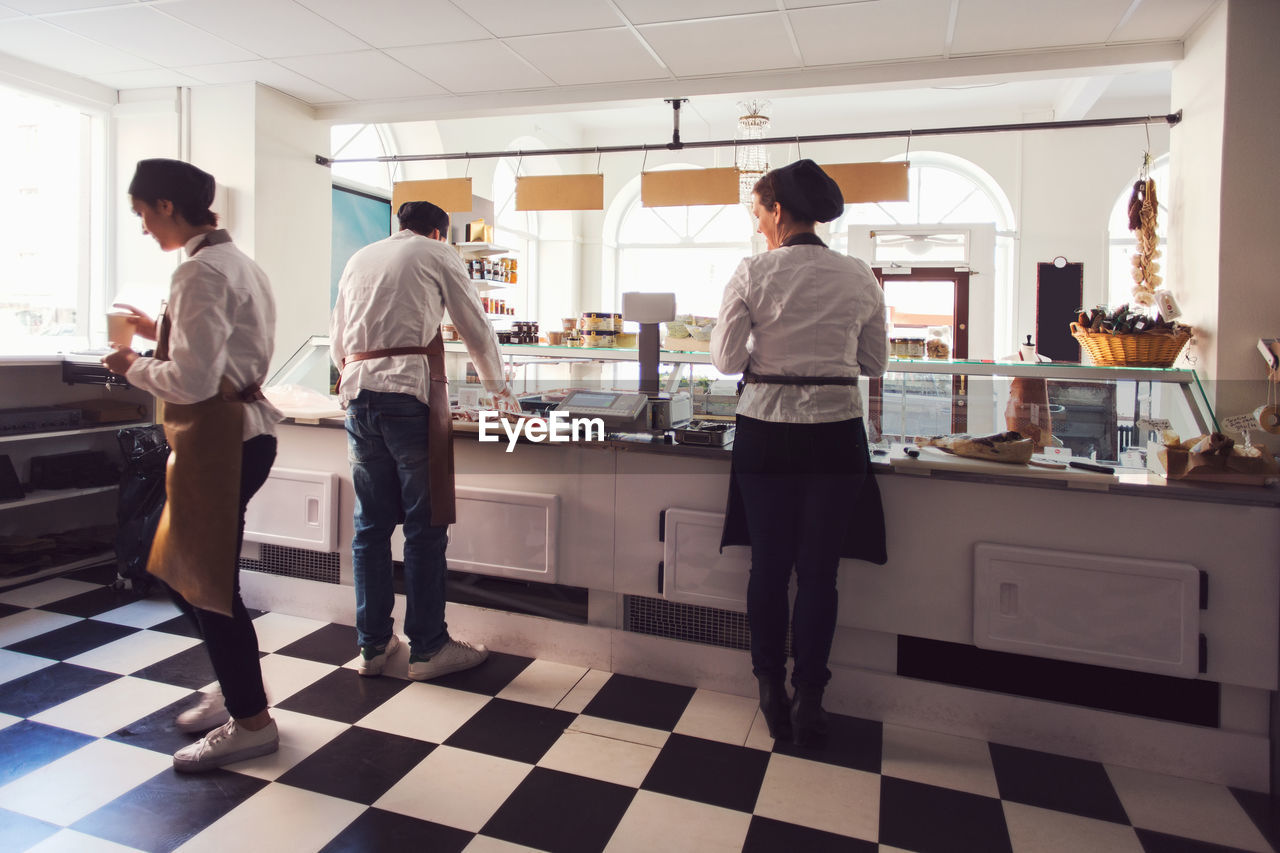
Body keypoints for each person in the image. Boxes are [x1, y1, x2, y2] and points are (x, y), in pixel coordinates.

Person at [104, 158, 282, 772]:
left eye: (143, 214)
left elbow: (191, 378)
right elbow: (220, 350)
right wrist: (163, 332)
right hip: (243, 436)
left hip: (218, 441)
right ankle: (235, 686)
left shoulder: (198, 272)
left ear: (168, 207)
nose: (144, 227)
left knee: (205, 587)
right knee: (181, 572)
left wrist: (129, 364)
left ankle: (252, 720)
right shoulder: (238, 263)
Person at [712, 160, 888, 746]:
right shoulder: (860, 276)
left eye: (758, 211)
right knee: (819, 573)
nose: (759, 223)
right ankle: (810, 695)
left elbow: (727, 361)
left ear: (778, 211)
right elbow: (874, 365)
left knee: (768, 567)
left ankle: (768, 687)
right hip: (837, 432)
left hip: (767, 429)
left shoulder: (752, 272)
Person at [331, 200, 520, 681]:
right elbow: (475, 326)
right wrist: (500, 392)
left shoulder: (361, 258)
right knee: (425, 525)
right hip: (406, 398)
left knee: (371, 526)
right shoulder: (438, 255)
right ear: (441, 233)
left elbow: (338, 339)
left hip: (358, 394)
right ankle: (429, 647)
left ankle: (372, 647)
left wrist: (353, 378)